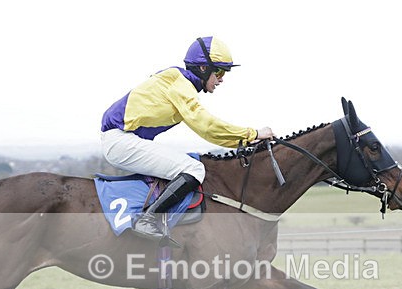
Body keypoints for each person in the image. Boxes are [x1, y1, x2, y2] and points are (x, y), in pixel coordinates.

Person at [100, 36, 274, 240]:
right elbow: (206, 126)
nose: (221, 79)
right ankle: (147, 219)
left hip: (124, 140)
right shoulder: (179, 84)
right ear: (203, 69)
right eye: (218, 71)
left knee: (189, 162)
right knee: (193, 168)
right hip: (120, 141)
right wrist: (250, 134)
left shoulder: (178, 81)